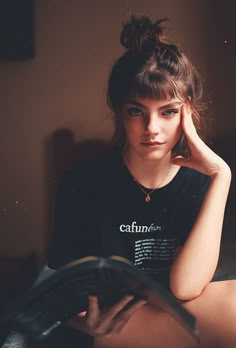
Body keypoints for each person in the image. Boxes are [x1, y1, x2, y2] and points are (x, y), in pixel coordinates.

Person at [3, 15, 235, 348]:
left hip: (175, 318)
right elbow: (64, 285)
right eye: (137, 111)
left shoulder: (201, 185)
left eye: (168, 111)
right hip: (108, 329)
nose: (152, 128)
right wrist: (82, 322)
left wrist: (222, 175)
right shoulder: (81, 183)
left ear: (189, 112)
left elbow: (185, 289)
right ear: (118, 111)